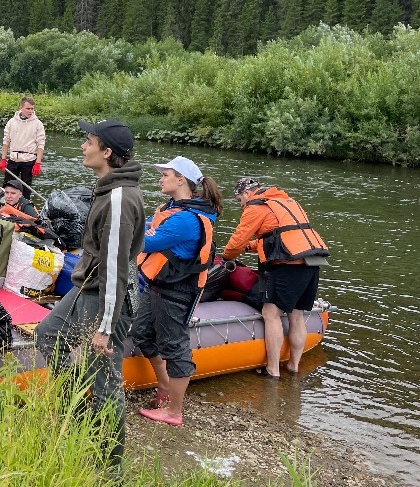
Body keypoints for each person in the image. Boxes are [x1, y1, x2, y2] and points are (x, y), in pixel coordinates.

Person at [34, 119, 145, 476]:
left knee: (106, 379)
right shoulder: (107, 187)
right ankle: (79, 416)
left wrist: (107, 326)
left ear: (107, 152)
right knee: (48, 334)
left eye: (89, 141)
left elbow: (117, 267)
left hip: (108, 296)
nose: (83, 146)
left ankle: (111, 469)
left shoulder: (118, 198)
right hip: (87, 286)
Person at [133, 156, 222, 427]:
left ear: (181, 180)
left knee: (175, 347)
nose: (161, 178)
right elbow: (150, 224)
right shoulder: (171, 207)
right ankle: (164, 388)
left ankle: (174, 412)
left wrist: (122, 228)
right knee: (142, 334)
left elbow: (145, 243)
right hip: (157, 285)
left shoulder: (187, 219)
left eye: (166, 174)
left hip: (176, 291)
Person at [221, 177, 329, 378]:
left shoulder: (255, 207)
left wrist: (225, 258)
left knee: (270, 313)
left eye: (239, 200)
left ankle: (272, 370)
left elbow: (237, 241)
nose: (241, 205)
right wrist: (251, 247)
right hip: (311, 263)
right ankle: (294, 366)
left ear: (246, 193)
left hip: (288, 267)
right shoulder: (285, 201)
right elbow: (282, 234)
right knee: (296, 315)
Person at [0, 96, 46, 187]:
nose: (30, 111)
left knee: (26, 188)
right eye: (28, 108)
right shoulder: (11, 122)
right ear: (21, 108)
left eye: (32, 109)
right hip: (13, 159)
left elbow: (41, 144)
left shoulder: (38, 124)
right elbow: (6, 141)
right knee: (7, 185)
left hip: (29, 160)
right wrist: (3, 159)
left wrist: (38, 163)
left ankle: (26, 200)